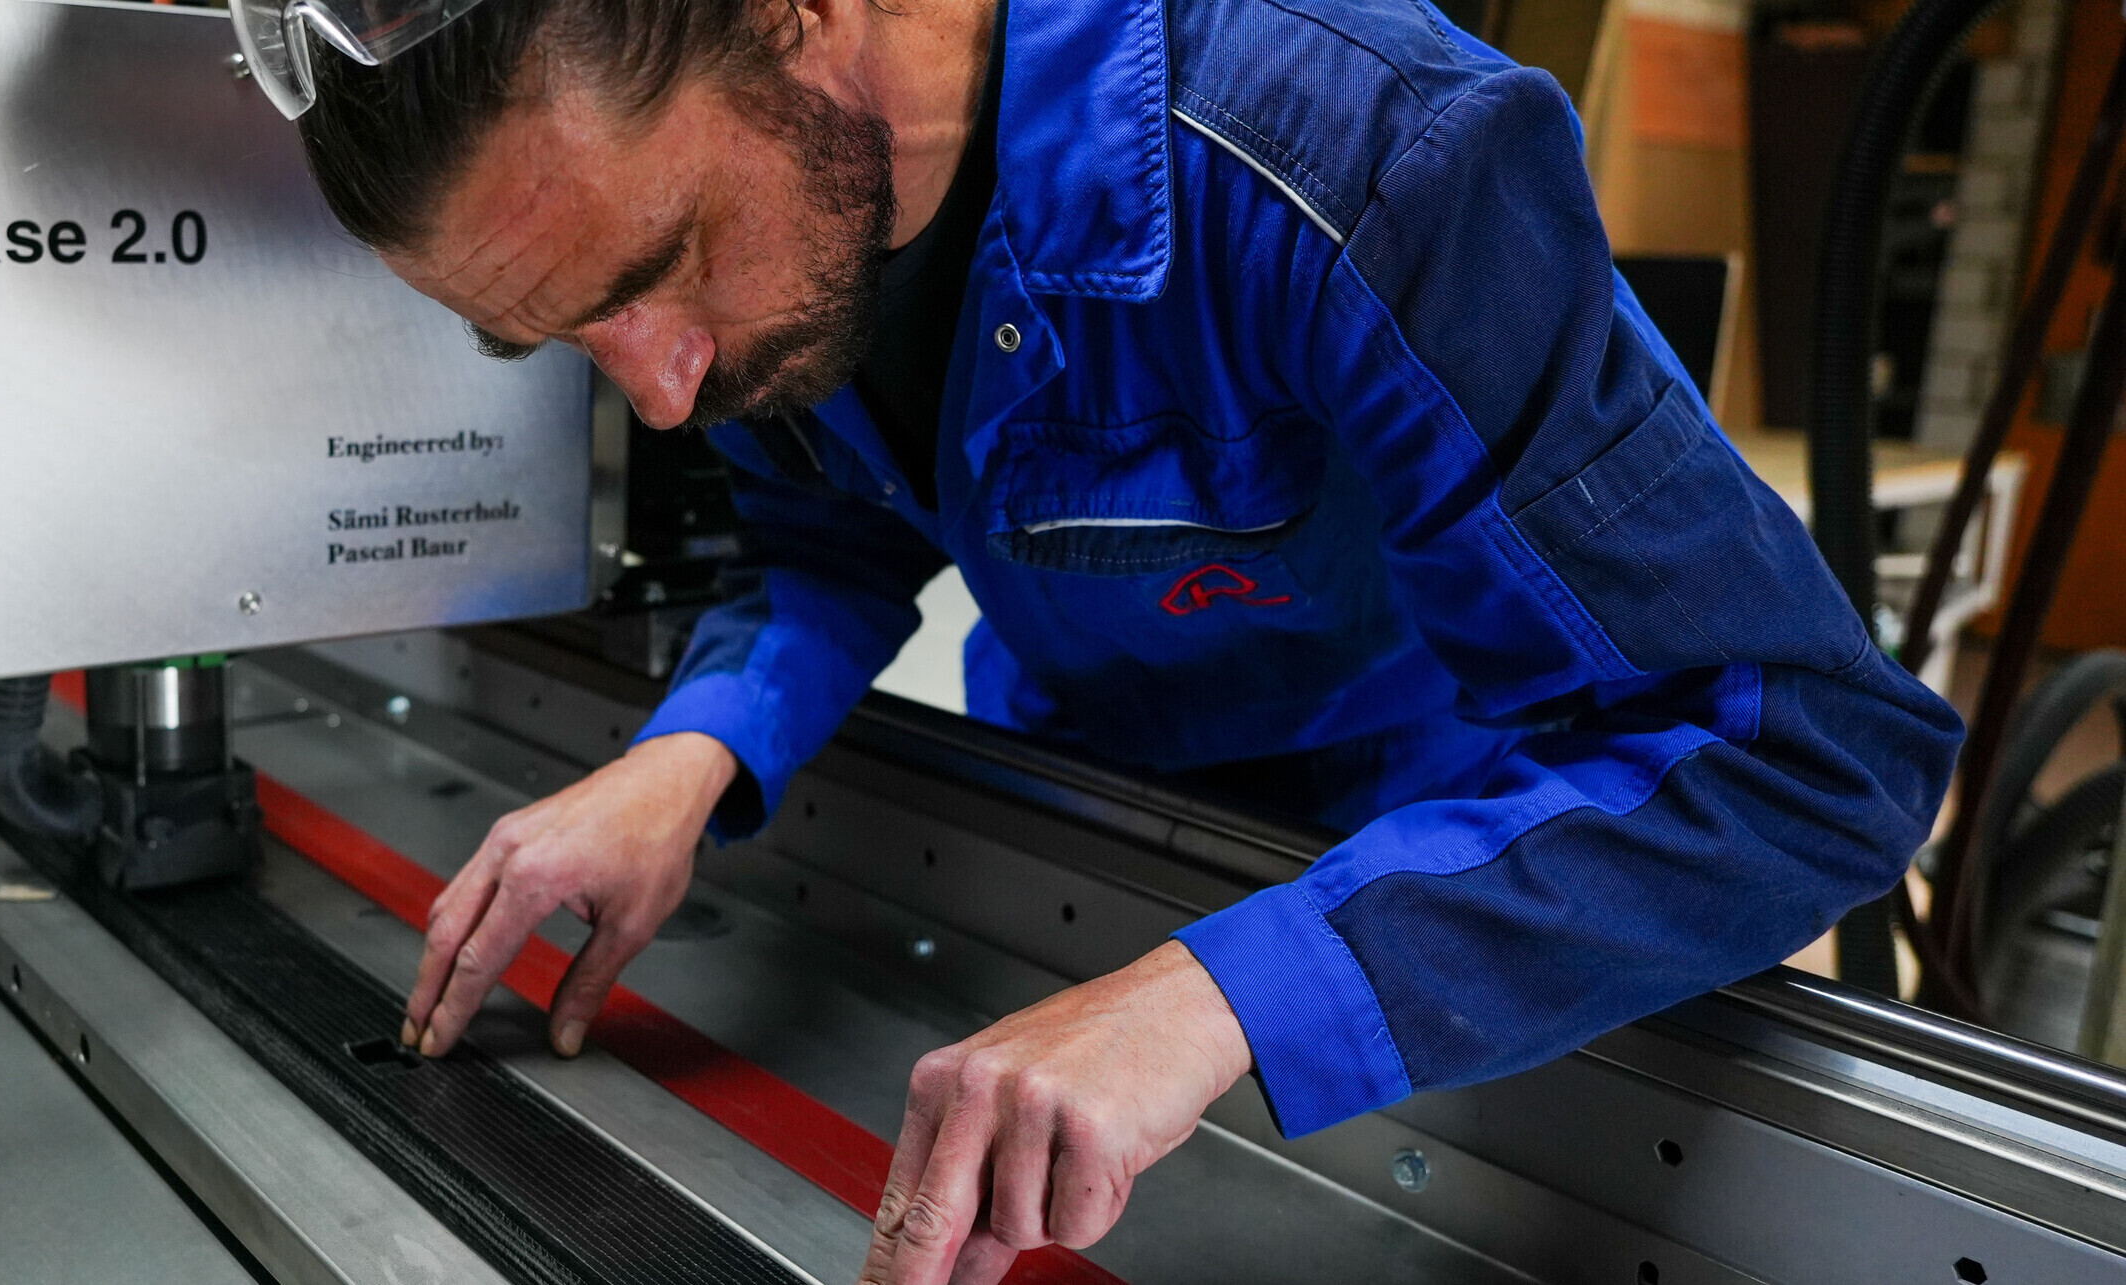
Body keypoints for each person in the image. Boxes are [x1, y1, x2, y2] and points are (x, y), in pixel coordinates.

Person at [287, 1, 1964, 1282]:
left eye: (665, 265)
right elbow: (833, 532)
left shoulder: (1359, 146)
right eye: (568, 333)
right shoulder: (765, 228)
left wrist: (1230, 989)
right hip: (1085, 862)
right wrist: (695, 746)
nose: (661, 390)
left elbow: (1813, 755)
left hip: (1471, 912)